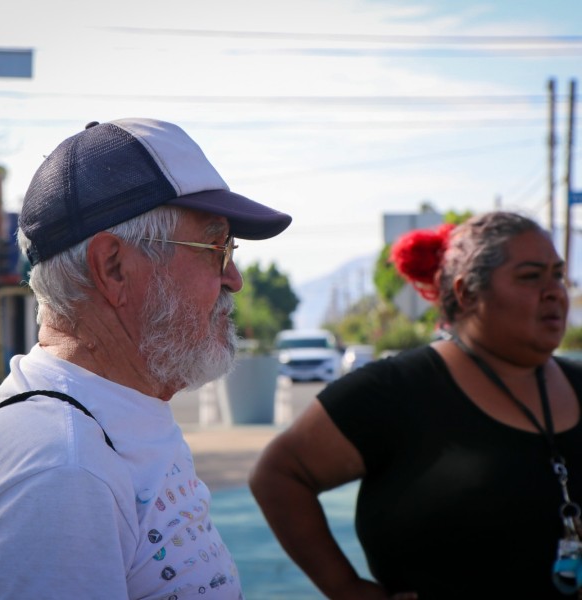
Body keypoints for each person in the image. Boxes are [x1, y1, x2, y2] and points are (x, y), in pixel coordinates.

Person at [0, 118, 291, 599]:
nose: (235, 278)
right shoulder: (62, 469)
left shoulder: (118, 410)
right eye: (216, 247)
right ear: (113, 267)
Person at [249, 211, 582, 599]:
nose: (555, 291)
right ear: (467, 293)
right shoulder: (395, 389)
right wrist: (346, 588)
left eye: (558, 274)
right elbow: (278, 474)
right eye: (530, 276)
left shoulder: (577, 383)